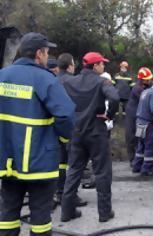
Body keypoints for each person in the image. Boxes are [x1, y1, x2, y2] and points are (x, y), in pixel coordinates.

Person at [0, 32, 75, 236]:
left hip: (8, 162)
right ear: (39, 54)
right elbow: (66, 115)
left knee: (6, 215)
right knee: (40, 219)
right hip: (39, 162)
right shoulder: (45, 79)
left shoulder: (2, 76)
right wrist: (63, 138)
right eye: (47, 52)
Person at [60, 52, 119, 223]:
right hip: (96, 132)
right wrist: (109, 115)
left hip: (76, 132)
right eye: (102, 63)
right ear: (95, 66)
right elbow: (114, 98)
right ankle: (104, 213)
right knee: (102, 172)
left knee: (74, 171)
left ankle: (67, 211)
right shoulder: (102, 82)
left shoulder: (71, 81)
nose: (104, 66)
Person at [53, 53, 87, 207]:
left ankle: (59, 193)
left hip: (54, 127)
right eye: (73, 64)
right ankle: (70, 195)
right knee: (73, 164)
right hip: (70, 127)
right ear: (69, 66)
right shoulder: (73, 81)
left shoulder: (52, 81)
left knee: (60, 162)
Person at [125, 67, 153, 165]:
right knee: (132, 136)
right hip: (132, 114)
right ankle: (132, 159)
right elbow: (148, 100)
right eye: (148, 79)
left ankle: (138, 159)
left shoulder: (146, 87)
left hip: (138, 113)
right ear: (142, 79)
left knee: (139, 137)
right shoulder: (138, 89)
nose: (149, 80)